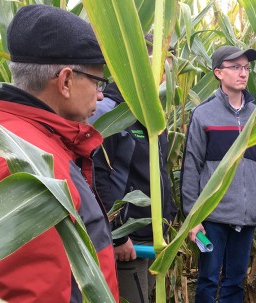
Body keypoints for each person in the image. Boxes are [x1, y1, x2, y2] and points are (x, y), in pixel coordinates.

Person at [0, 4, 119, 302]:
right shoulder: (28, 162)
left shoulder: (18, 135)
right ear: (65, 81)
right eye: (97, 81)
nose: (101, 94)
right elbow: (41, 291)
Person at [180, 45, 256, 302]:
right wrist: (193, 216)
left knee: (235, 281)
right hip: (213, 215)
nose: (243, 73)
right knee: (208, 280)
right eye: (236, 67)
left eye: (246, 67)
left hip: (247, 216)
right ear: (219, 73)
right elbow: (191, 166)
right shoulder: (203, 115)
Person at [89, 34, 177, 303]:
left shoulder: (152, 114)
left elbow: (159, 170)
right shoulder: (108, 110)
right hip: (127, 241)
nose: (167, 74)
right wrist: (117, 237)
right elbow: (95, 177)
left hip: (152, 234)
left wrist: (169, 215)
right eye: (163, 64)